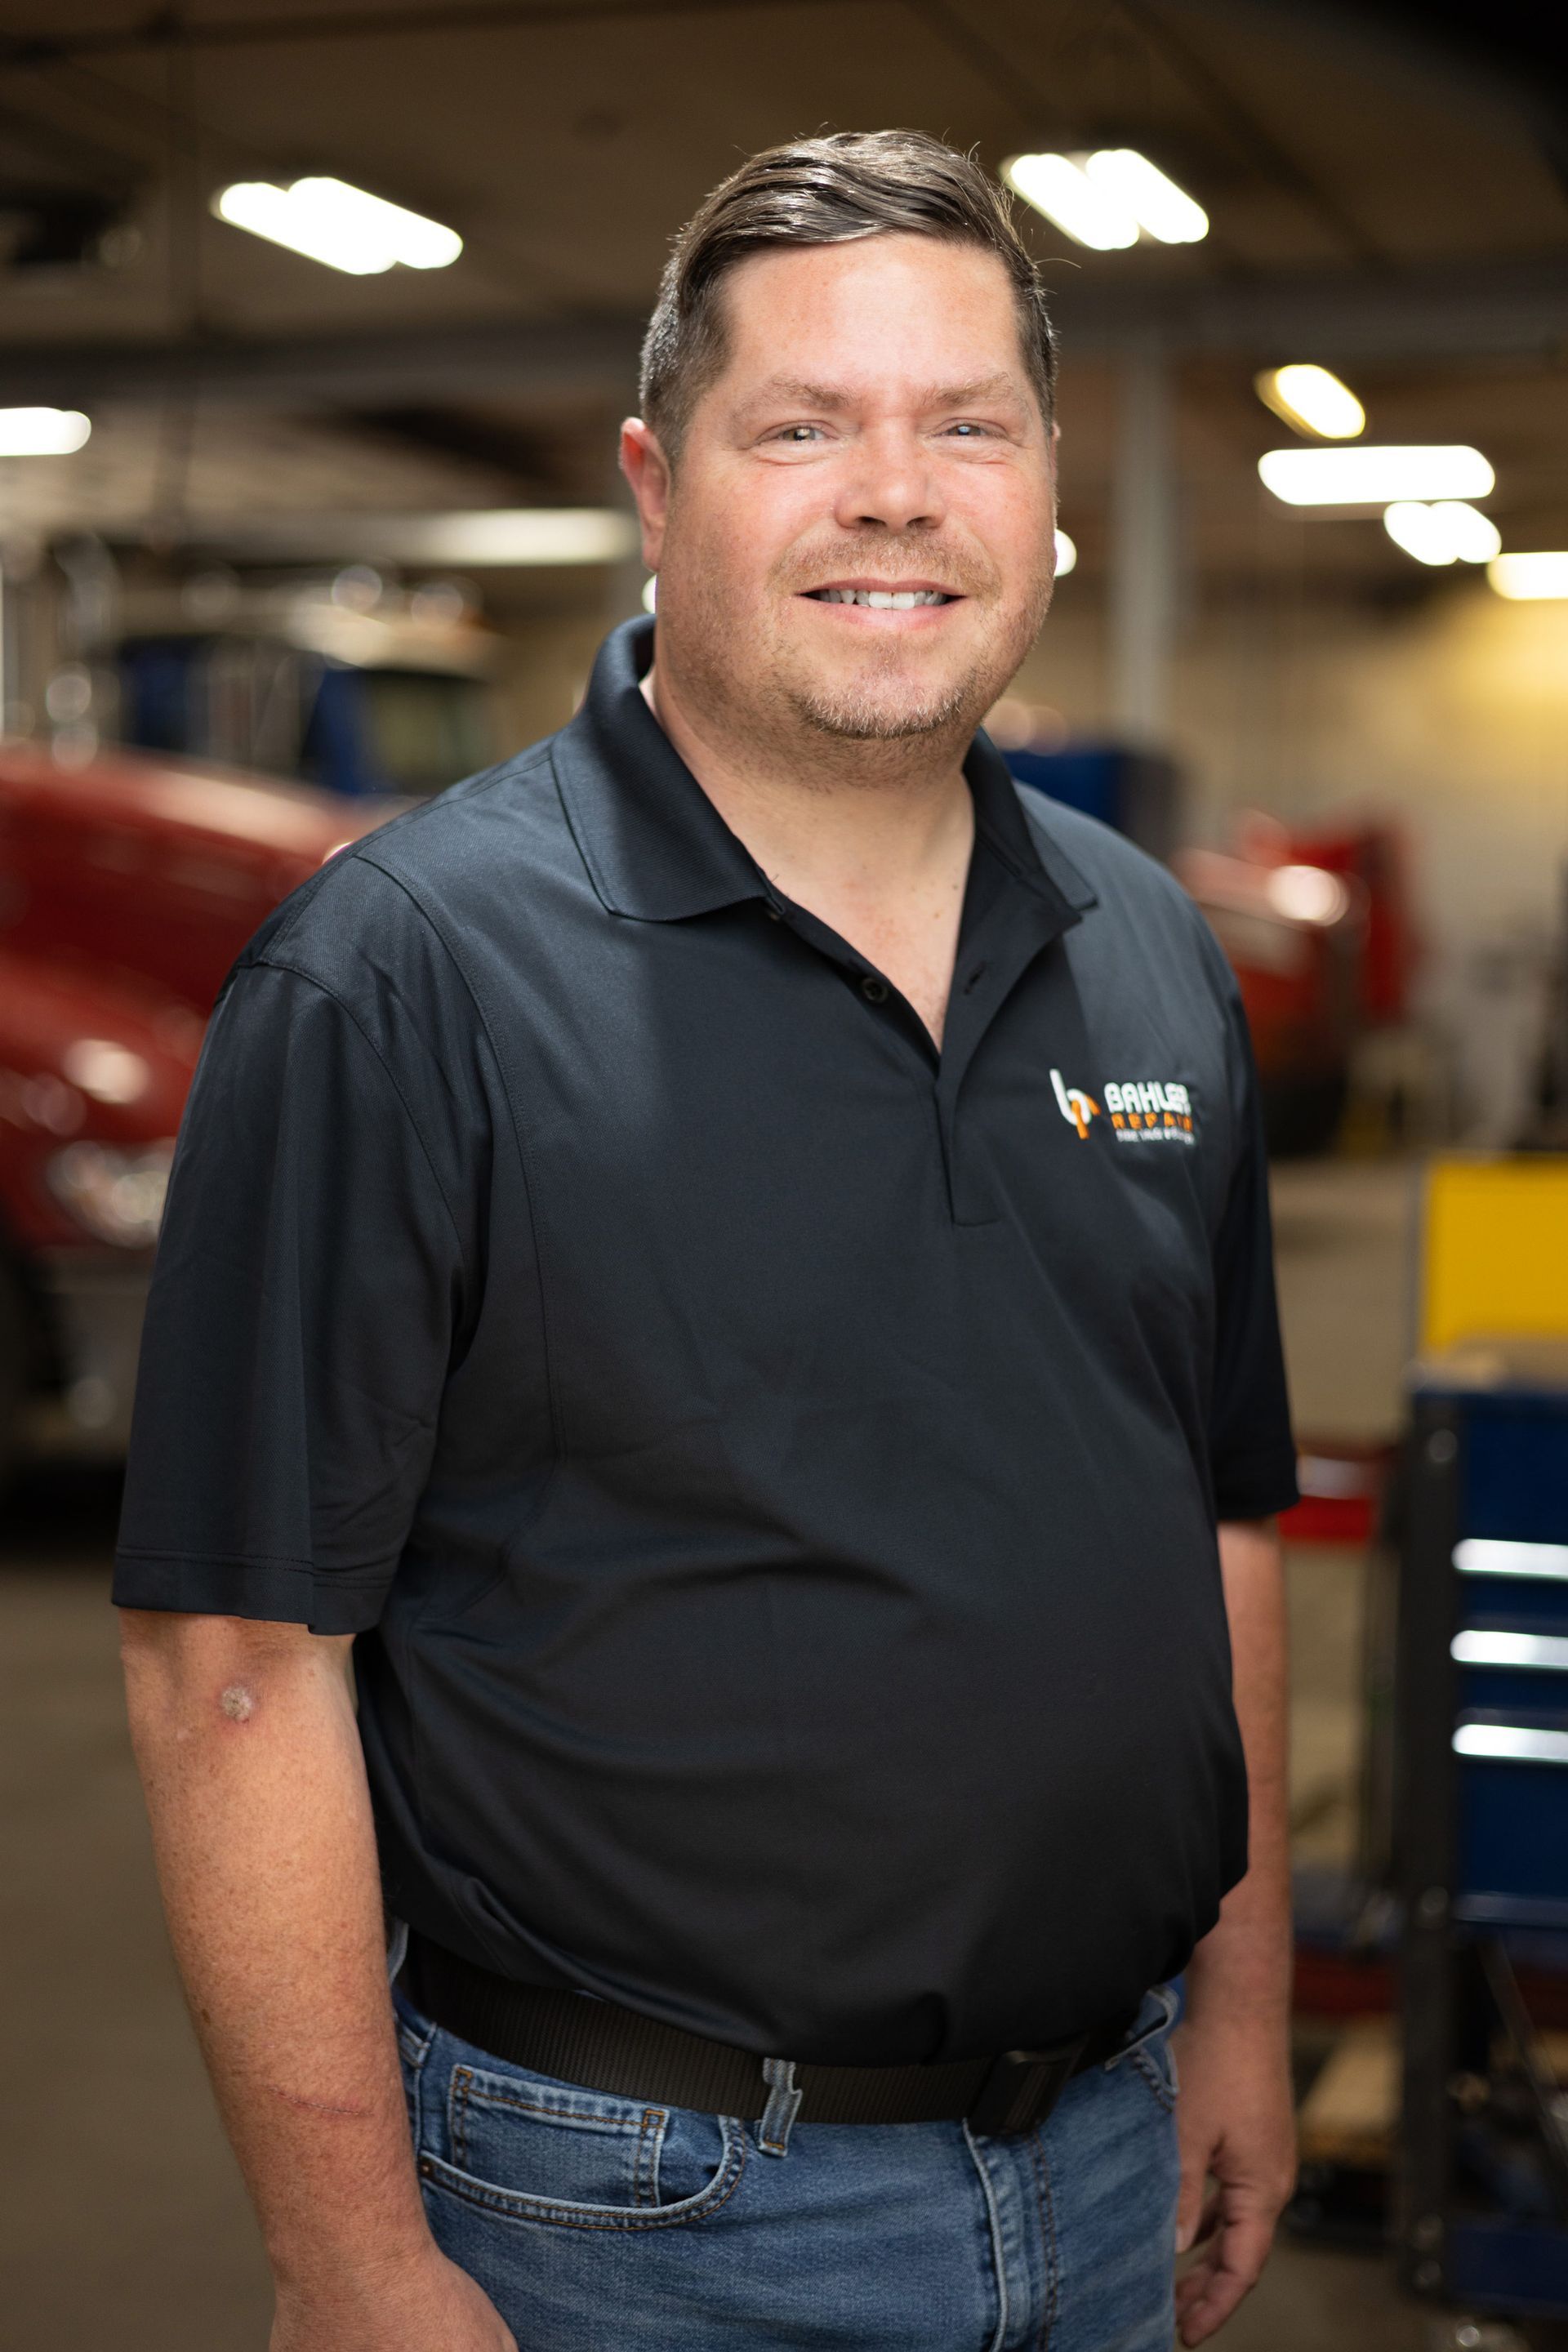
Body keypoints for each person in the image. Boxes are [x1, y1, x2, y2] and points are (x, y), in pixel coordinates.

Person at [116, 128, 1298, 2352]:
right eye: (804, 426)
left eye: (968, 423)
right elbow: (236, 1657)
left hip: (1113, 2134)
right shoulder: (405, 975)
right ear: (662, 488)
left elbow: (1215, 1509)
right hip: (639, 2221)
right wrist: (351, 2259)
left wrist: (1234, 2013)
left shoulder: (1147, 950)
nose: (895, 490)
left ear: (1048, 492)